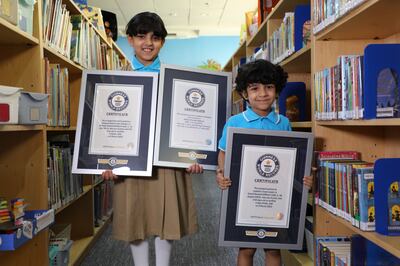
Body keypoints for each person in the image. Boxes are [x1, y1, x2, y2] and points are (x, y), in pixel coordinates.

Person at [102, 12, 203, 266]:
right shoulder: (115, 79)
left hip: (167, 160)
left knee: (165, 218)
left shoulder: (177, 80)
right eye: (141, 36)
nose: (148, 42)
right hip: (130, 160)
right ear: (129, 40)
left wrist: (195, 154)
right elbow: (108, 125)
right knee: (135, 217)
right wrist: (105, 161)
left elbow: (191, 123)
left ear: (163, 42)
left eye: (155, 37)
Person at [216, 59, 313, 266]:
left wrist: (303, 176)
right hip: (245, 196)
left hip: (273, 197)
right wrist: (221, 174)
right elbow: (223, 153)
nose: (262, 94)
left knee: (273, 248)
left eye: (269, 87)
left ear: (277, 91)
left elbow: (291, 159)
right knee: (246, 248)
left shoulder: (283, 123)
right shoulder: (235, 123)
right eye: (254, 88)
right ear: (244, 93)